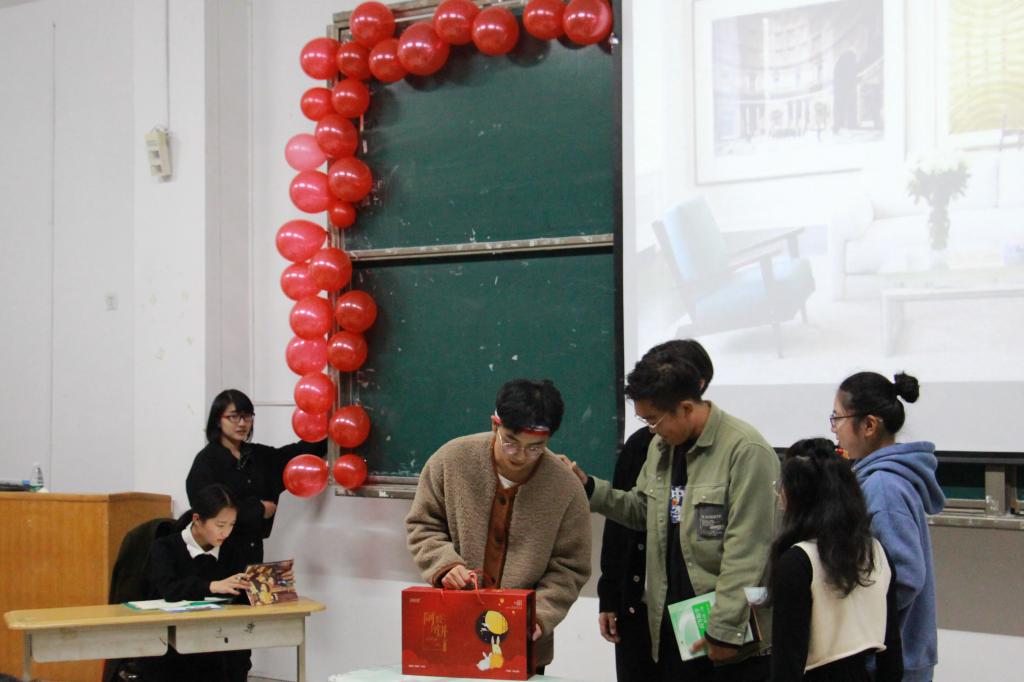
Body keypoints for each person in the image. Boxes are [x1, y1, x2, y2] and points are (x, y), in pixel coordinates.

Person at [567, 341, 778, 681]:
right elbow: (642, 510)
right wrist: (591, 489)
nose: (651, 429)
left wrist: (724, 629)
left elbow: (748, 550)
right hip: (676, 630)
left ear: (685, 408)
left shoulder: (745, 451)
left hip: (729, 638)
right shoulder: (661, 447)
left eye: (654, 419)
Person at [404, 378, 591, 673]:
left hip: (522, 645)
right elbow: (423, 524)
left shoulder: (566, 488)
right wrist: (444, 564)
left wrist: (539, 615)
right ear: (495, 424)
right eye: (511, 442)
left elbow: (570, 567)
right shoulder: (451, 460)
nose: (521, 456)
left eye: (535, 448)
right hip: (453, 628)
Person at [598, 339, 714, 682]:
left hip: (696, 609)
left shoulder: (727, 448)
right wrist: (610, 594)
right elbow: (623, 521)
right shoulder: (643, 444)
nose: (653, 427)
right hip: (639, 603)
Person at [831, 372, 944, 682]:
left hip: (891, 662)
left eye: (838, 418)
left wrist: (858, 624)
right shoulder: (878, 479)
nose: (834, 428)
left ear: (869, 425)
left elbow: (906, 576)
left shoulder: (883, 487)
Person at [767, 438, 903, 681]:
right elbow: (892, 663)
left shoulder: (797, 563)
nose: (780, 496)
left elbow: (786, 666)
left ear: (799, 496)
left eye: (783, 486)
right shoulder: (876, 551)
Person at [186, 389, 326, 565]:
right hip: (217, 552)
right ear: (218, 420)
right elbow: (206, 508)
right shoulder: (206, 460)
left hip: (252, 549)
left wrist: (329, 432)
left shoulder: (256, 455)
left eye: (247, 417)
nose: (242, 423)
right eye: (233, 417)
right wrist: (257, 509)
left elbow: (294, 455)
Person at [146, 483, 251, 682]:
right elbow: (169, 589)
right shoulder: (165, 547)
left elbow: (243, 595)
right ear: (197, 520)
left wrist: (274, 583)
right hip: (173, 646)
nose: (226, 532)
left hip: (221, 644)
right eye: (220, 525)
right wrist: (212, 586)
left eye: (231, 525)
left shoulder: (233, 549)